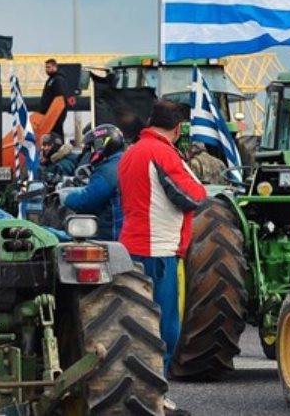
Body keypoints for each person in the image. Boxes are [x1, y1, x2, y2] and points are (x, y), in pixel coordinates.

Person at [117, 100, 206, 389]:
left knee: (134, 325)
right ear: (178, 128)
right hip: (160, 253)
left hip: (130, 248)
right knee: (165, 329)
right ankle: (157, 392)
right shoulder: (162, 153)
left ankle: (135, 389)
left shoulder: (130, 154)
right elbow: (193, 195)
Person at [58, 124, 125, 241]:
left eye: (93, 147)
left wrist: (65, 196)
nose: (91, 152)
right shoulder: (121, 161)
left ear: (102, 144)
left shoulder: (108, 170)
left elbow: (88, 201)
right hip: (123, 231)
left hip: (111, 236)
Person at [39, 59, 69, 139]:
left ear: (55, 67)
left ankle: (59, 148)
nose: (46, 70)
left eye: (48, 67)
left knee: (56, 132)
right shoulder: (51, 80)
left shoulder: (58, 80)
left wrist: (55, 112)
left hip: (55, 113)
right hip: (50, 113)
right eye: (46, 67)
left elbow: (60, 98)